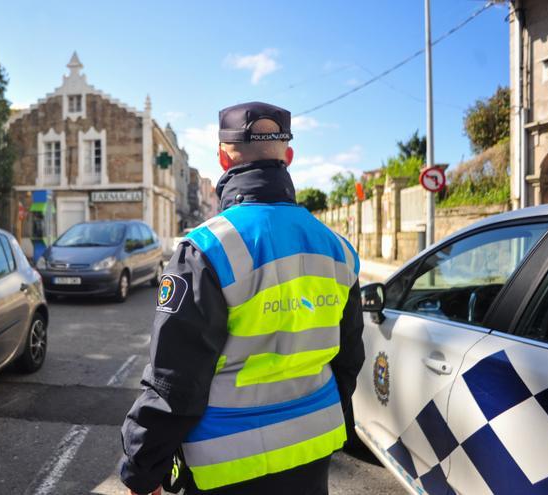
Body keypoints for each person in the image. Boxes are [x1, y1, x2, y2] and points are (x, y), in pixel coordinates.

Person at [119, 102, 364, 495]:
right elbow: (348, 360)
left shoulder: (205, 250)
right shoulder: (338, 249)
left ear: (222, 157)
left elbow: (174, 381)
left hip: (226, 465)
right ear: (288, 157)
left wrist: (142, 468)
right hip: (311, 452)